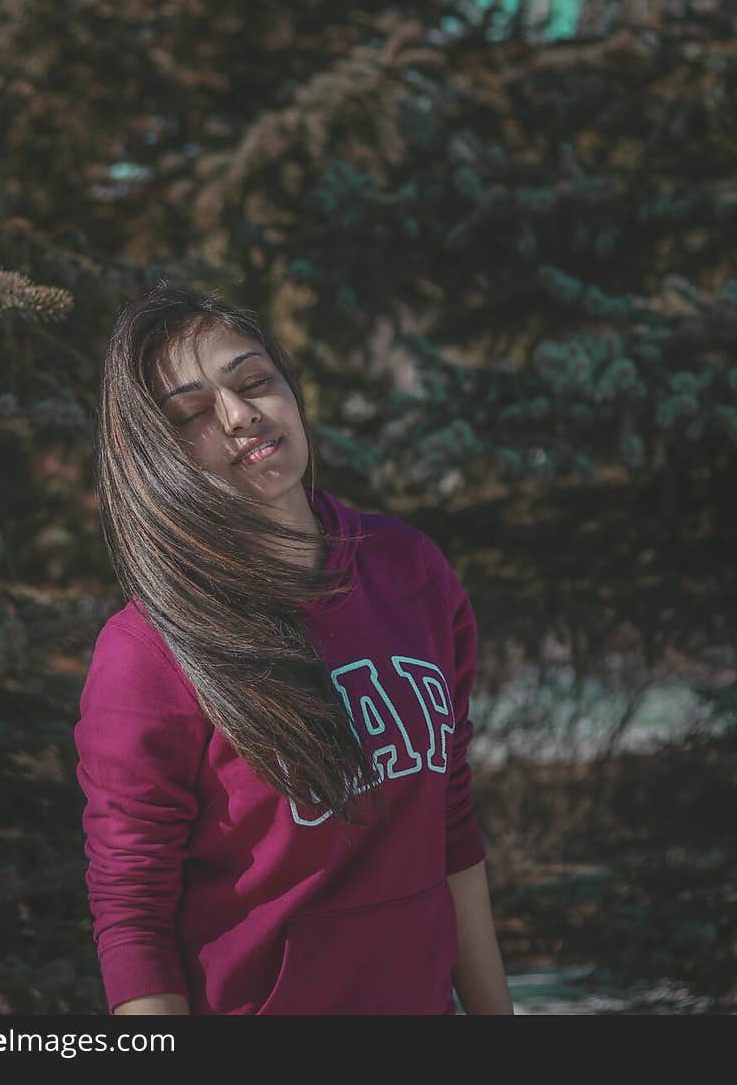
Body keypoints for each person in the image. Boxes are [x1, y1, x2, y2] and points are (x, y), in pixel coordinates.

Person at [74, 278, 513, 1015]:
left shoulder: (409, 570)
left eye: (254, 382)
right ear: (159, 459)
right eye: (194, 414)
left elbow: (450, 825)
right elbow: (133, 919)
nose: (241, 415)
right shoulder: (145, 652)